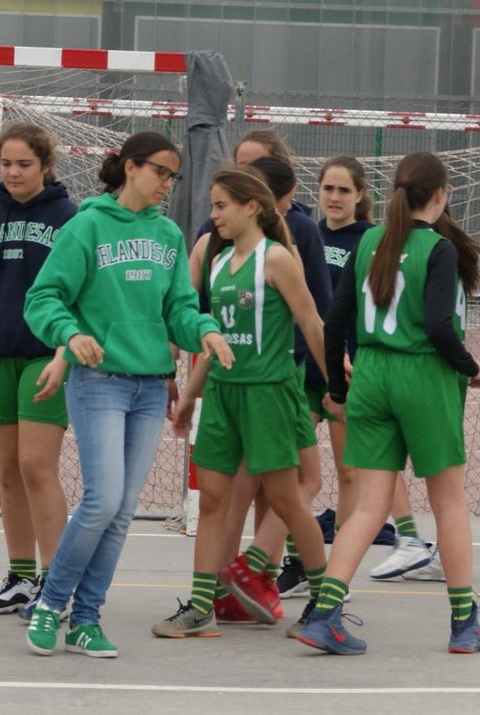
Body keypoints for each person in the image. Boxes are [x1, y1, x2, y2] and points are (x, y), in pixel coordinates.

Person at [22, 132, 232, 657]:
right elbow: (43, 297)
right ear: (131, 168)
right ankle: (51, 604)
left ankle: (87, 619)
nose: (168, 184)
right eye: (161, 172)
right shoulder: (86, 226)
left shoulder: (167, 235)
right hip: (99, 381)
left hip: (147, 387)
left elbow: (179, 307)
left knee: (120, 510)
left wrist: (202, 329)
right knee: (102, 500)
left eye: (173, 176)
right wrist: (71, 334)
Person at [298, 152, 480, 655]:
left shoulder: (369, 241)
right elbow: (438, 326)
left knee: (368, 505)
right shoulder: (438, 248)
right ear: (439, 195)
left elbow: (336, 318)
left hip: (371, 375)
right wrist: (471, 368)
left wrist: (339, 389)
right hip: (421, 375)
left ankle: (325, 613)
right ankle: (463, 623)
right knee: (448, 500)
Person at [154, 165, 328, 639]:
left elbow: (312, 324)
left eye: (220, 206)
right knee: (212, 499)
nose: (213, 216)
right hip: (223, 396)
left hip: (268, 393)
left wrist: (335, 385)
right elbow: (218, 340)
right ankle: (201, 605)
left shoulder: (276, 260)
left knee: (287, 501)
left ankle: (324, 603)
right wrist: (191, 395)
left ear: (252, 207)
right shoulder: (217, 262)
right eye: (212, 206)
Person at [0, 121, 76, 616]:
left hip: (46, 357)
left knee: (37, 466)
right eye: (6, 163)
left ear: (45, 165)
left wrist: (68, 351)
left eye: (24, 163)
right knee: (8, 472)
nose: (14, 172)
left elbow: (82, 294)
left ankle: (56, 581)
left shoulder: (70, 219)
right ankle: (21, 578)